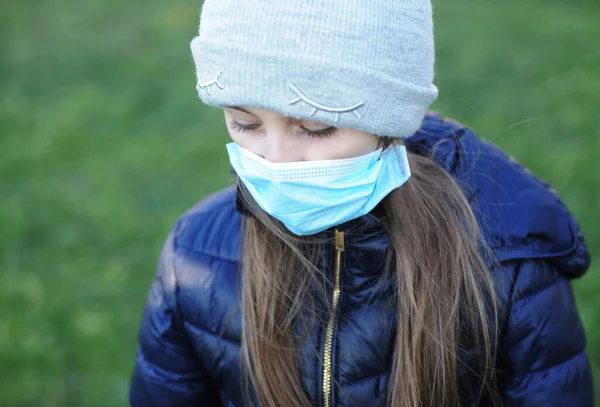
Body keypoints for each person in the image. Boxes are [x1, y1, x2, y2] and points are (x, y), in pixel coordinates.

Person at [128, 0, 594, 406]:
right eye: (244, 123)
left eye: (316, 128)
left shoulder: (506, 267)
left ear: (389, 120)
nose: (276, 160)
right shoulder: (194, 256)